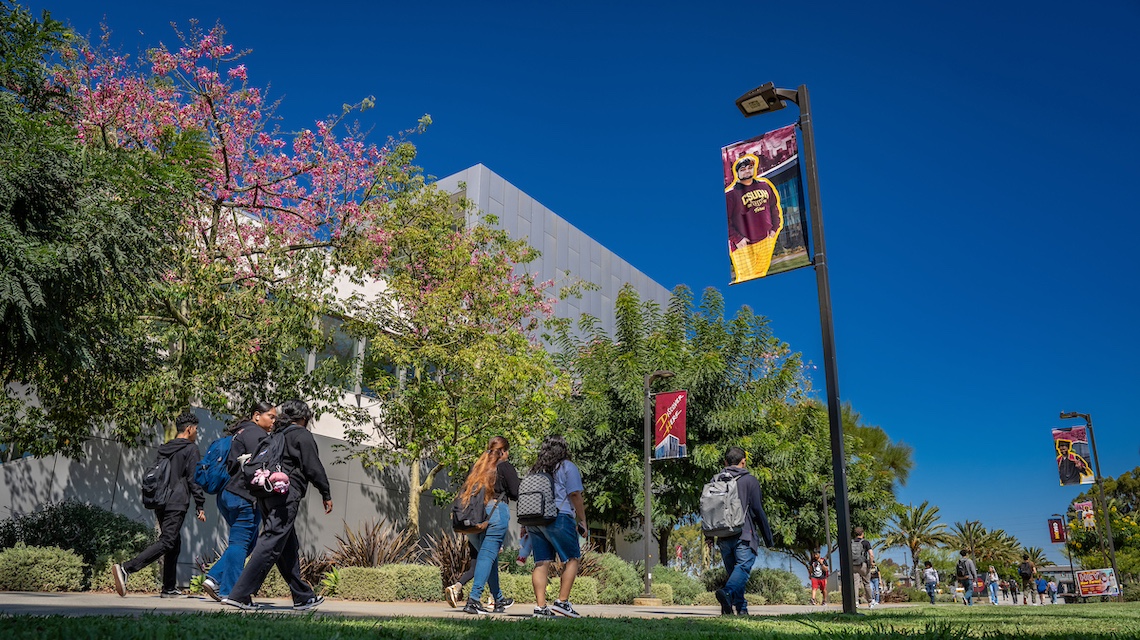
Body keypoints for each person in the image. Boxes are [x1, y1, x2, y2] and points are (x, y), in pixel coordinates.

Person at [221, 400, 333, 611]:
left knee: (287, 547)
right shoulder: (301, 434)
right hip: (286, 496)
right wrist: (325, 493)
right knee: (271, 541)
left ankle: (302, 596)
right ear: (304, 418)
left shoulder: (276, 435)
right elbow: (313, 466)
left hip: (267, 493)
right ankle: (240, 594)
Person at [113, 412, 206, 597]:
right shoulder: (191, 449)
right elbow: (193, 479)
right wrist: (200, 505)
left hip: (161, 500)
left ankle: (169, 588)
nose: (197, 433)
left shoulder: (166, 447)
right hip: (177, 501)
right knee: (168, 541)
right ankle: (126, 568)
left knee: (174, 543)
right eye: (196, 429)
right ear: (189, 429)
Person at [200, 402, 276, 602]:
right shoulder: (256, 435)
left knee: (248, 542)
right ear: (257, 415)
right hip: (243, 497)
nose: (274, 421)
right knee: (240, 543)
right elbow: (261, 467)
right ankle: (230, 592)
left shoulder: (240, 432)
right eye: (271, 416)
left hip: (227, 495)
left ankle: (214, 578)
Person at [456, 436, 519, 615]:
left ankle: (498, 599)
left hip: (474, 516)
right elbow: (515, 492)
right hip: (495, 512)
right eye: (507, 451)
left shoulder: (478, 466)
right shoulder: (504, 467)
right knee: (487, 556)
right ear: (503, 452)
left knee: (488, 557)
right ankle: (474, 600)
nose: (507, 455)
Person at [527, 435, 588, 619]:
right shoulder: (567, 467)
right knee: (572, 558)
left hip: (534, 520)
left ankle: (540, 607)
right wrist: (582, 520)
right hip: (559, 517)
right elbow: (575, 494)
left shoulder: (535, 469)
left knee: (541, 561)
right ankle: (562, 602)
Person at [710, 447, 774, 616]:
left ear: (725, 462)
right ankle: (728, 593)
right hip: (744, 533)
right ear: (743, 461)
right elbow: (757, 509)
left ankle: (740, 609)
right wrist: (768, 537)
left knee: (735, 573)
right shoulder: (750, 480)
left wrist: (709, 536)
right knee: (743, 569)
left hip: (722, 535)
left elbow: (709, 509)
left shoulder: (715, 480)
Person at [725, 155, 784, 281]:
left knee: (761, 274)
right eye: (742, 169)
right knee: (745, 279)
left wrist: (774, 228)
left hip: (765, 240)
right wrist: (737, 239)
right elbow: (725, 221)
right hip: (743, 245)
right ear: (737, 173)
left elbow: (773, 207)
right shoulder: (730, 195)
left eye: (749, 168)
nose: (747, 171)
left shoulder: (765, 186)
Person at [850, 527, 875, 608]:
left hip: (853, 565)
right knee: (867, 583)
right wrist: (871, 563)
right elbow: (871, 554)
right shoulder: (865, 542)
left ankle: (856, 602)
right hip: (862, 565)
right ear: (862, 533)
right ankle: (870, 602)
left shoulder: (851, 542)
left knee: (855, 584)